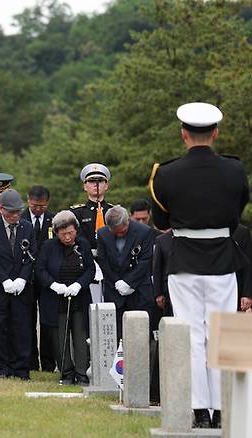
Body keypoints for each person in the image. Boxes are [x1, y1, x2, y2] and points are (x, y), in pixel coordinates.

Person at [149, 102, 250, 428]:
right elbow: (237, 212)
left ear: (183, 135)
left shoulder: (164, 174)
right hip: (222, 258)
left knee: (192, 335)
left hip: (184, 262)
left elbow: (161, 219)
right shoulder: (235, 170)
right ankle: (225, 406)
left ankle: (199, 409)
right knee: (223, 332)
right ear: (216, 133)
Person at [0, 189, 36, 380]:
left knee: (21, 328)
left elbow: (31, 256)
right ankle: (1, 367)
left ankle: (21, 368)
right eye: (11, 212)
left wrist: (22, 278)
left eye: (18, 212)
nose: (15, 216)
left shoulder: (27, 227)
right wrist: (4, 280)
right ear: (1, 208)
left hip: (21, 287)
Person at [36, 210, 95, 385]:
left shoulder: (83, 244)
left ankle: (82, 373)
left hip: (79, 298)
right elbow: (40, 269)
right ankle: (66, 373)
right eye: (63, 234)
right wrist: (54, 285)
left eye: (70, 233)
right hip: (56, 299)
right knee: (60, 337)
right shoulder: (48, 246)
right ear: (57, 233)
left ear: (76, 230)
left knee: (80, 335)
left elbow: (90, 269)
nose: (68, 237)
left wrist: (79, 284)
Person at [96, 205, 154, 338]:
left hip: (139, 291)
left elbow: (146, 260)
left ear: (127, 221)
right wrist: (116, 282)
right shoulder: (102, 233)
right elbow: (103, 260)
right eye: (115, 232)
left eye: (122, 231)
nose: (119, 234)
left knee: (140, 334)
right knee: (116, 335)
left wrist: (129, 283)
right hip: (114, 290)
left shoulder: (144, 231)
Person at [22, 185, 55, 372]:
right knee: (27, 321)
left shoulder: (53, 220)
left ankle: (49, 363)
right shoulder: (21, 219)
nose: (38, 209)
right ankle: (31, 362)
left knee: (47, 321)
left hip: (47, 279)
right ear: (28, 201)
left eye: (42, 206)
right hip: (26, 278)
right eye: (35, 206)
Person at [70, 163, 113, 304]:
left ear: (106, 185)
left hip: (111, 264)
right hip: (86, 264)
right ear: (85, 186)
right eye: (91, 181)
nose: (96, 184)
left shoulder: (114, 212)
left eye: (100, 181)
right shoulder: (76, 213)